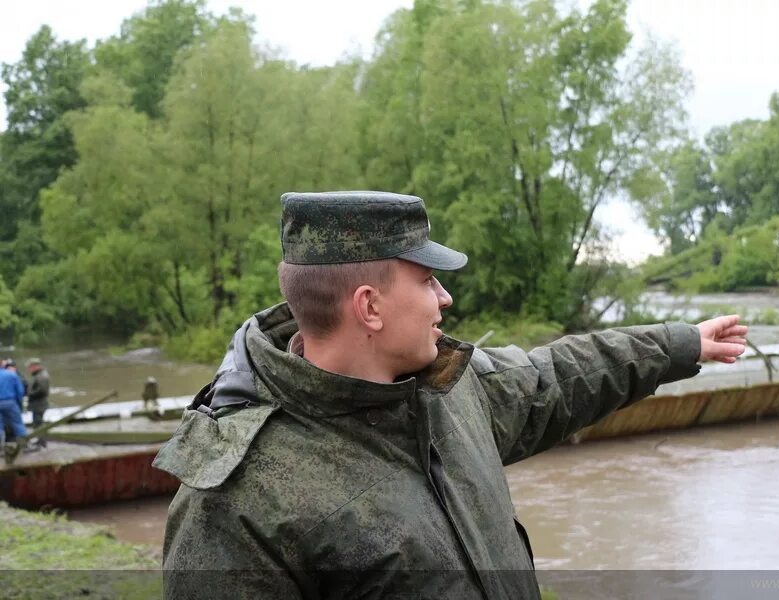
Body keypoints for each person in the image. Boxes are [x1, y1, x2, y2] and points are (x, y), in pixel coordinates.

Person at [156, 191, 747, 599]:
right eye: (426, 279)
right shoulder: (234, 498)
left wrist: (680, 344)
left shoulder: (449, 388)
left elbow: (555, 378)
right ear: (369, 305)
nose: (446, 299)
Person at [0, 359, 27, 447]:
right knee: (18, 423)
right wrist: (19, 403)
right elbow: (20, 391)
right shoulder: (11, 374)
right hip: (10, 402)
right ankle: (23, 445)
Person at [25, 358, 50, 447]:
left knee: (38, 423)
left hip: (39, 404)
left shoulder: (41, 376)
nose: (29, 369)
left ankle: (42, 442)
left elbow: (42, 390)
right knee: (37, 423)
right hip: (38, 403)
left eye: (30, 367)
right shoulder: (38, 375)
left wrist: (29, 394)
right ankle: (40, 440)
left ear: (36, 366)